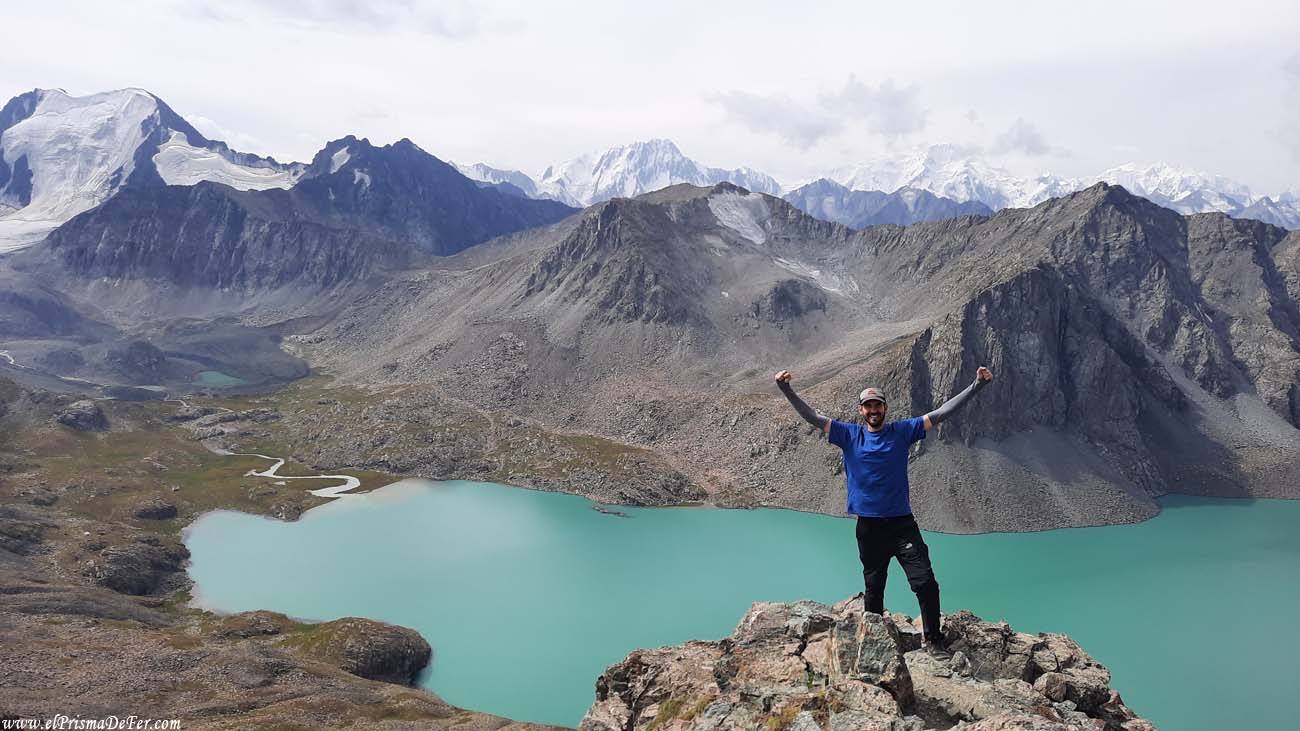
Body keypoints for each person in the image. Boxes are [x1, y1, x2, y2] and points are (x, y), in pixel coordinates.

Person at [774, 366, 994, 660]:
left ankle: (933, 640)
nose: (873, 410)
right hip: (869, 528)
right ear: (861, 411)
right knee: (874, 589)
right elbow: (813, 418)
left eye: (877, 405)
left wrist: (977, 385)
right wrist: (786, 389)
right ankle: (874, 645)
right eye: (868, 406)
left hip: (902, 525)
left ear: (885, 408)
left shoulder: (901, 431)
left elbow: (941, 413)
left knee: (925, 583)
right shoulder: (848, 435)